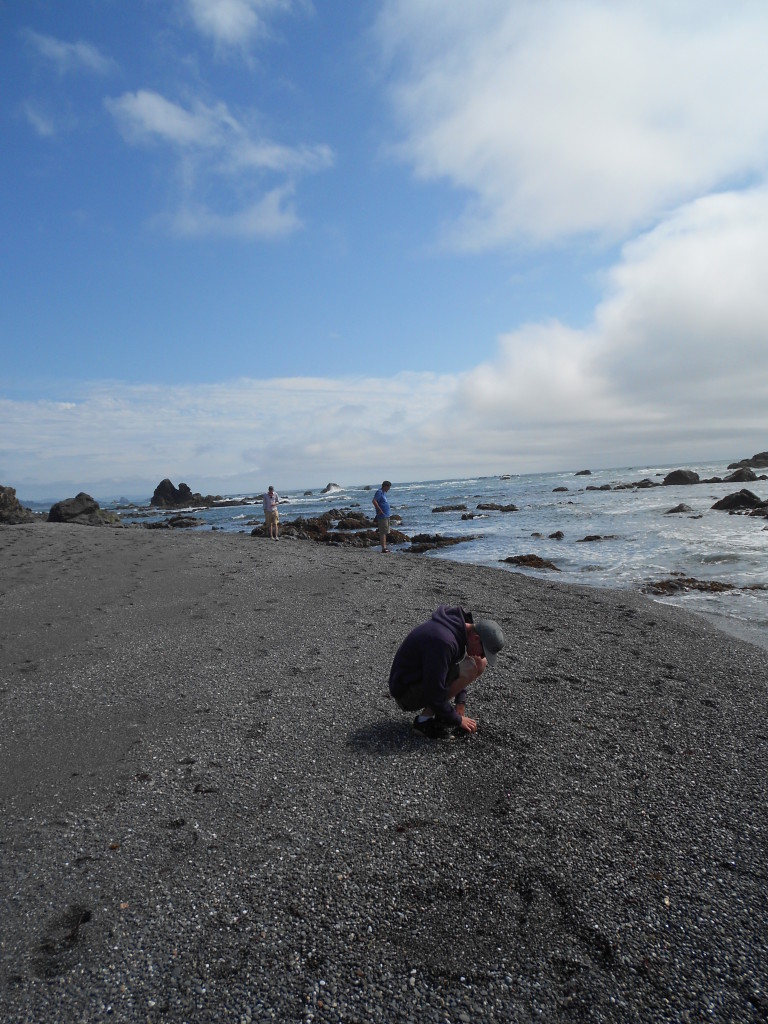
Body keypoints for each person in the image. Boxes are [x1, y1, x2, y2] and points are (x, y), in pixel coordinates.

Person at [389, 605, 504, 739]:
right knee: (471, 666)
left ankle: (440, 715)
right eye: (484, 651)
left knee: (479, 663)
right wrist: (456, 719)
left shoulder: (456, 630)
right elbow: (434, 688)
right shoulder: (444, 642)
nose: (484, 656)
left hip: (419, 680)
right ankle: (423, 722)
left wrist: (460, 702)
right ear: (476, 638)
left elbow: (447, 669)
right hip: (406, 694)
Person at [372, 480, 392, 553]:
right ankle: (384, 548)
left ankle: (385, 547)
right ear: (385, 486)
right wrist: (379, 509)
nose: (389, 489)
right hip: (382, 515)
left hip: (386, 515)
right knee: (383, 532)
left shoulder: (383, 493)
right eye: (388, 487)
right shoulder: (379, 492)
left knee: (385, 531)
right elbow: (374, 501)